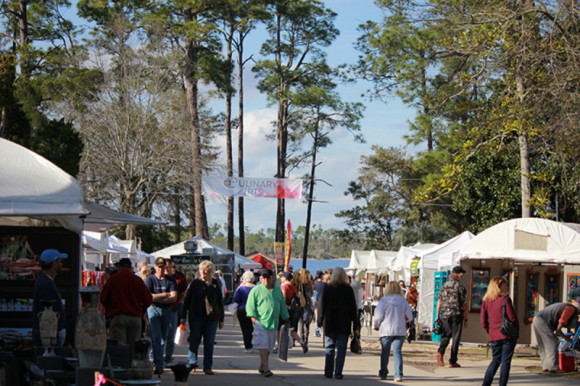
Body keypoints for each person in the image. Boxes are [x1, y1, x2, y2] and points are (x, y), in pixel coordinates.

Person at [100, 258, 152, 362]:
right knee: (133, 349)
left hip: (118, 317)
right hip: (135, 318)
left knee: (119, 348)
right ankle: (132, 369)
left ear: (119, 267)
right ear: (131, 268)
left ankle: (121, 371)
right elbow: (148, 300)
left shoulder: (113, 279)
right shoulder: (137, 280)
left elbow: (103, 298)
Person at [180, 260, 224, 375]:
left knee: (209, 343)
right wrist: (183, 316)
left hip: (212, 318)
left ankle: (207, 367)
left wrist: (221, 319)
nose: (203, 272)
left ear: (210, 271)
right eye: (201, 270)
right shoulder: (194, 283)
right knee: (194, 341)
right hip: (196, 317)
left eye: (205, 270)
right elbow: (186, 301)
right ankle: (192, 364)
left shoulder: (215, 284)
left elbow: (220, 303)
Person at [245, 268, 290, 377]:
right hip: (260, 323)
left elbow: (282, 306)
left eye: (267, 277)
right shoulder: (256, 290)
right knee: (263, 345)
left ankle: (262, 366)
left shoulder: (278, 290)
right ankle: (266, 368)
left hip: (273, 324)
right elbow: (250, 307)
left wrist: (286, 319)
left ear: (272, 278)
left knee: (269, 347)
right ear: (260, 278)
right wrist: (254, 320)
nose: (265, 279)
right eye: (263, 277)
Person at [317, 267, 360, 379]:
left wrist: (320, 320)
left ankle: (328, 371)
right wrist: (355, 323)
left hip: (330, 321)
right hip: (344, 322)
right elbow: (352, 308)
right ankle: (338, 372)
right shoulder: (348, 290)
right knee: (341, 349)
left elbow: (321, 306)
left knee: (329, 347)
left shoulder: (328, 289)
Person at [480, 277, 518, 386]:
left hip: (494, 336)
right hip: (507, 335)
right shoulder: (505, 299)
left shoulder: (486, 301)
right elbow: (512, 317)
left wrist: (490, 331)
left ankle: (486, 383)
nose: (506, 287)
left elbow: (483, 321)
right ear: (499, 286)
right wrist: (516, 329)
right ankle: (502, 384)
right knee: (505, 361)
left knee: (495, 360)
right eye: (505, 285)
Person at [373, 281, 413, 382]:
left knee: (385, 352)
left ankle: (383, 373)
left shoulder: (383, 301)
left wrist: (376, 326)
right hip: (399, 330)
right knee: (397, 352)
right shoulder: (403, 301)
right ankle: (398, 374)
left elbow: (377, 316)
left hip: (386, 330)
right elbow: (410, 316)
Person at [145, 257, 178, 375]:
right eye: (159, 267)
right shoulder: (150, 280)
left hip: (167, 311)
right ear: (155, 267)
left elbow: (174, 297)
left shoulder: (170, 280)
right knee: (156, 336)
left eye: (163, 267)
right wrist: (164, 295)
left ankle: (157, 359)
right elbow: (148, 297)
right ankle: (158, 363)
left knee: (164, 337)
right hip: (153, 310)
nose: (161, 269)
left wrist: (156, 297)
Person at [32, 249, 68, 347]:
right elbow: (45, 312)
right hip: (47, 335)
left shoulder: (45, 281)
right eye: (60, 261)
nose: (61, 264)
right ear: (54, 263)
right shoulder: (46, 284)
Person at [532, 299, 580, 372]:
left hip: (536, 319)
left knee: (543, 345)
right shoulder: (571, 308)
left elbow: (559, 330)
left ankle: (546, 367)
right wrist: (558, 331)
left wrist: (567, 339)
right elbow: (562, 320)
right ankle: (553, 368)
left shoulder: (565, 306)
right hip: (543, 321)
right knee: (552, 344)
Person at [435, 265, 468, 368]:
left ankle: (440, 352)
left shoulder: (444, 285)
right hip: (457, 314)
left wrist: (437, 316)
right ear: (459, 275)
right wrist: (466, 319)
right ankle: (452, 361)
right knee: (456, 337)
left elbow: (439, 301)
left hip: (445, 314)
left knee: (446, 335)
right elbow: (464, 304)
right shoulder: (461, 287)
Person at [164, 258, 187, 365]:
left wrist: (178, 302)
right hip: (159, 310)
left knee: (170, 334)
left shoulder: (178, 278)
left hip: (173, 309)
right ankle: (155, 356)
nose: (171, 268)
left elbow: (183, 292)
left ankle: (168, 357)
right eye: (169, 266)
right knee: (158, 335)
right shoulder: (156, 278)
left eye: (172, 266)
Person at [233, 270, 256, 353]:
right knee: (252, 328)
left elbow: (236, 299)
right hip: (254, 310)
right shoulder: (256, 288)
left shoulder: (241, 289)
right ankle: (254, 343)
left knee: (245, 329)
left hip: (242, 309)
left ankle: (248, 346)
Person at [280, 271, 303, 347]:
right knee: (292, 328)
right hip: (294, 309)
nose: (281, 278)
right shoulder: (294, 287)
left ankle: (283, 345)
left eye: (282, 277)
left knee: (283, 328)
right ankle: (301, 342)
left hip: (286, 309)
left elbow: (283, 300)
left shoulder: (284, 287)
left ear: (285, 278)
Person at [295, 269, 314, 353]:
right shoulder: (309, 284)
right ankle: (306, 339)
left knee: (300, 322)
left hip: (300, 303)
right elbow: (311, 294)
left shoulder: (298, 283)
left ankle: (302, 339)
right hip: (308, 303)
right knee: (307, 322)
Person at [313, 270, 327, 337]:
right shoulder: (324, 284)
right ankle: (322, 331)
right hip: (322, 301)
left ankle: (316, 330)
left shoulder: (314, 284)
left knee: (316, 316)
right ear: (321, 276)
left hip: (315, 301)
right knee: (322, 316)